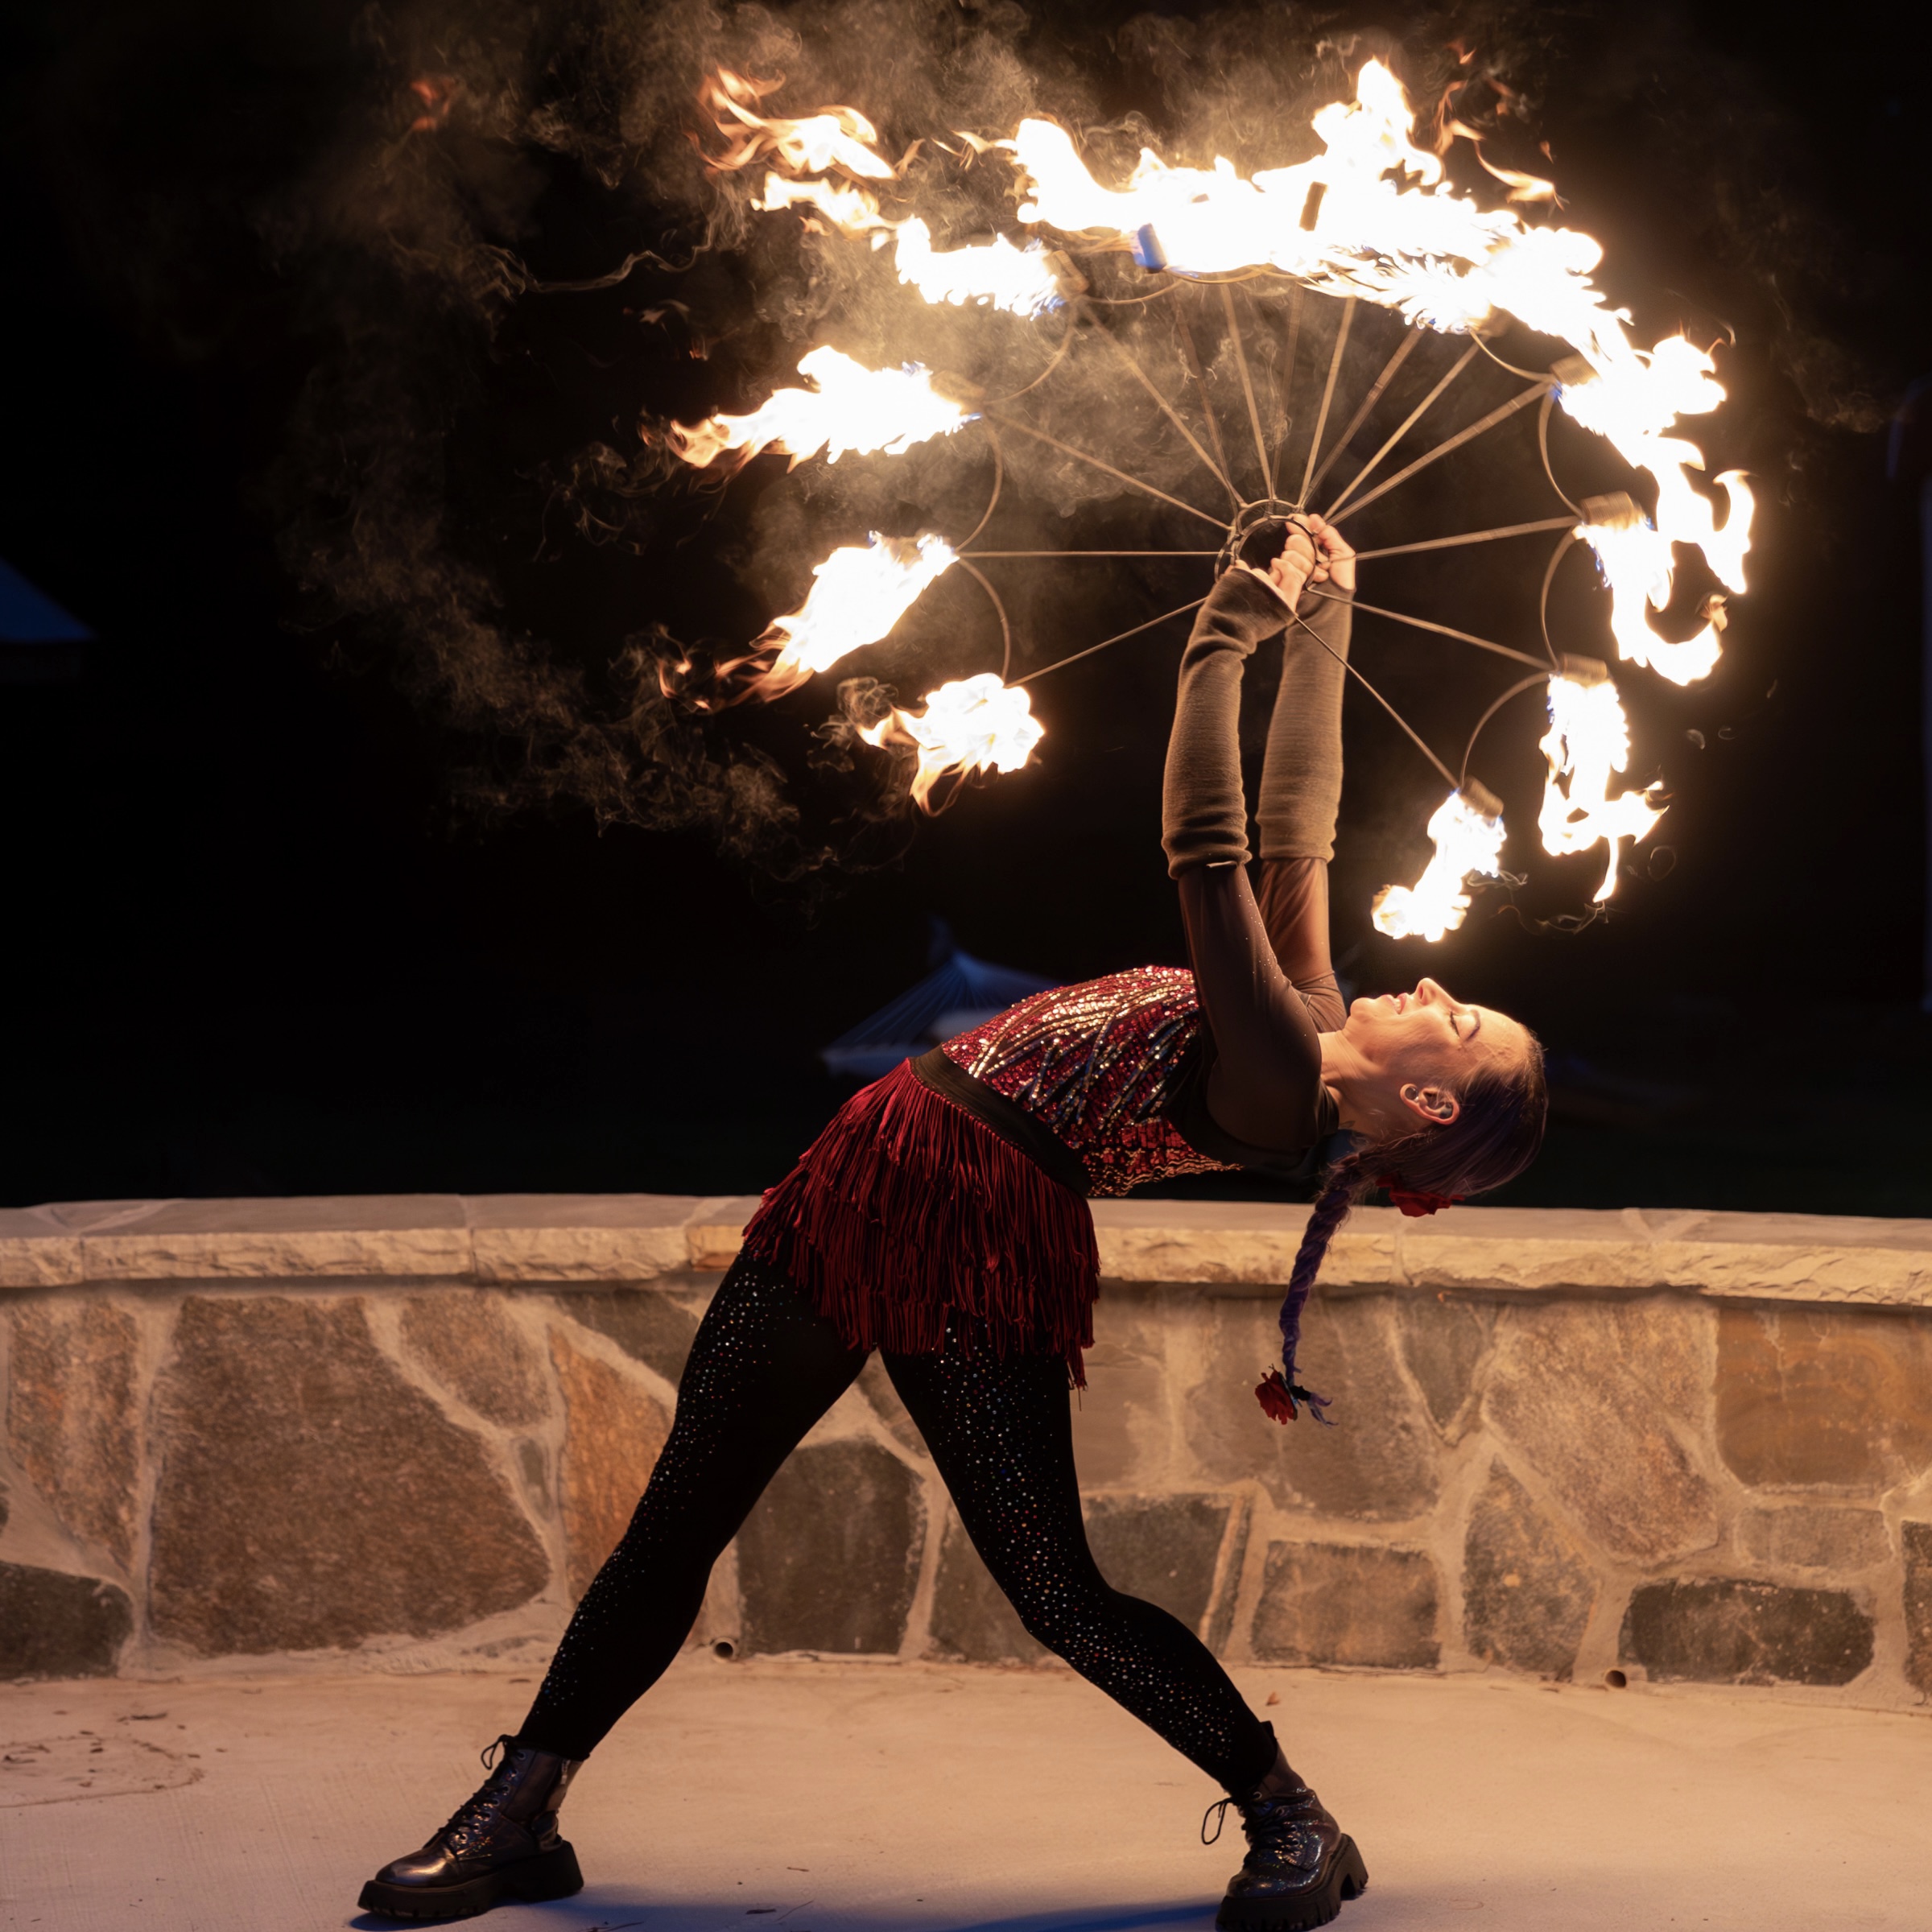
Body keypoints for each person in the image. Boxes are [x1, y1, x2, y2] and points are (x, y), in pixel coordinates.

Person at [358, 514, 1547, 1930]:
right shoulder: (1304, 1008)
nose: (1427, 983)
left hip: (979, 1244)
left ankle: (1294, 1821)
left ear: (1425, 1107)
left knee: (1051, 1583)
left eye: (1457, 1020)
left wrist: (1225, 630)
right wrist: (1329, 613)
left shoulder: (1280, 1075)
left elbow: (1209, 852)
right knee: (678, 1521)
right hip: (866, 1184)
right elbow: (1299, 820)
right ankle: (520, 1816)